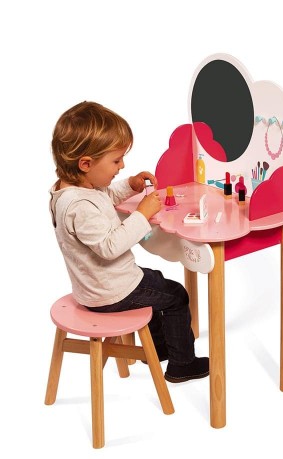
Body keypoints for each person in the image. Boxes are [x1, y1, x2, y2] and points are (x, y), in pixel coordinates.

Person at [49, 101, 209, 383]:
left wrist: (130, 186)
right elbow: (110, 247)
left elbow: (103, 197)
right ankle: (182, 364)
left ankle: (159, 349)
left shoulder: (73, 191)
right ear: (85, 164)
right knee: (176, 296)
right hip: (111, 291)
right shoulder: (80, 206)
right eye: (116, 161)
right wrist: (142, 214)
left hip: (97, 286)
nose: (122, 165)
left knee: (156, 281)